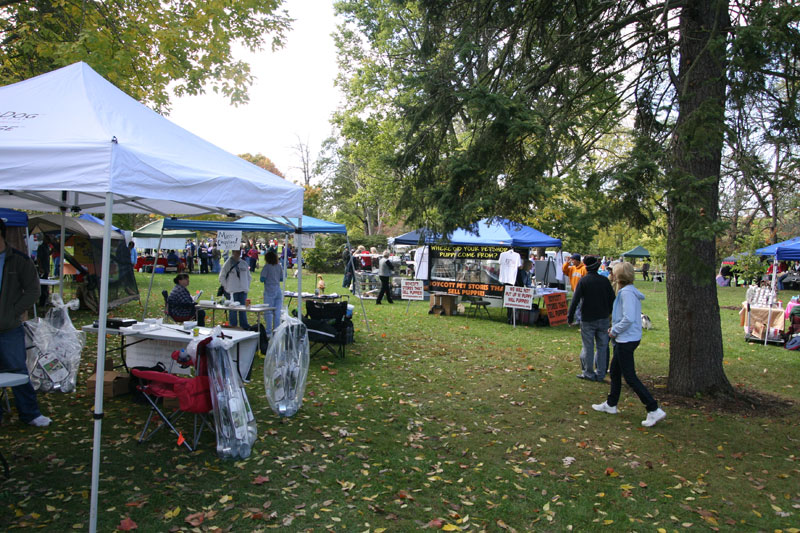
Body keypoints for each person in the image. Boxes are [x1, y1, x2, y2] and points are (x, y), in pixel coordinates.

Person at [592, 262, 666, 427]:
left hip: (626, 339)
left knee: (630, 377)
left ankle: (653, 409)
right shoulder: (627, 292)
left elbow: (629, 318)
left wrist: (615, 330)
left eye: (614, 273)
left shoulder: (626, 293)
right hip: (625, 338)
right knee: (616, 371)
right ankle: (611, 404)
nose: (611, 274)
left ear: (619, 276)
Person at [0, 219, 50, 427]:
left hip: (9, 326)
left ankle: (30, 413)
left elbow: (33, 290)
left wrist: (13, 311)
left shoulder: (18, 260)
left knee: (17, 369)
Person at [568, 256, 615, 382]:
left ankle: (588, 373)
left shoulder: (583, 281)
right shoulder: (604, 281)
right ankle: (600, 373)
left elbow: (575, 300)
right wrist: (609, 311)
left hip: (588, 318)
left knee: (588, 346)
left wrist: (570, 317)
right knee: (602, 346)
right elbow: (612, 298)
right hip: (603, 317)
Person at [219, 249, 252, 330]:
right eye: (236, 251)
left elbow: (249, 277)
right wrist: (226, 287)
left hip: (243, 290)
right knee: (233, 310)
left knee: (243, 310)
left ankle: (244, 326)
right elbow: (222, 277)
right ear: (233, 252)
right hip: (232, 291)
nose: (238, 253)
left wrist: (246, 286)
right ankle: (233, 326)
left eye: (239, 251)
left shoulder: (243, 263)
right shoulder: (228, 263)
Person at [259, 250, 283, 334]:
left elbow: (262, 279)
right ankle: (277, 330)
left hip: (269, 290)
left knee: (268, 311)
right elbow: (281, 278)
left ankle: (268, 330)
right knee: (277, 311)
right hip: (278, 289)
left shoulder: (266, 267)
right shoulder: (279, 266)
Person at [36, 236, 51, 307]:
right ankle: (41, 302)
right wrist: (40, 267)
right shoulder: (41, 247)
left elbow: (47, 255)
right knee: (42, 287)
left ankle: (45, 301)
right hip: (43, 269)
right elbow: (39, 258)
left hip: (47, 268)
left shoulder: (47, 247)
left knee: (45, 286)